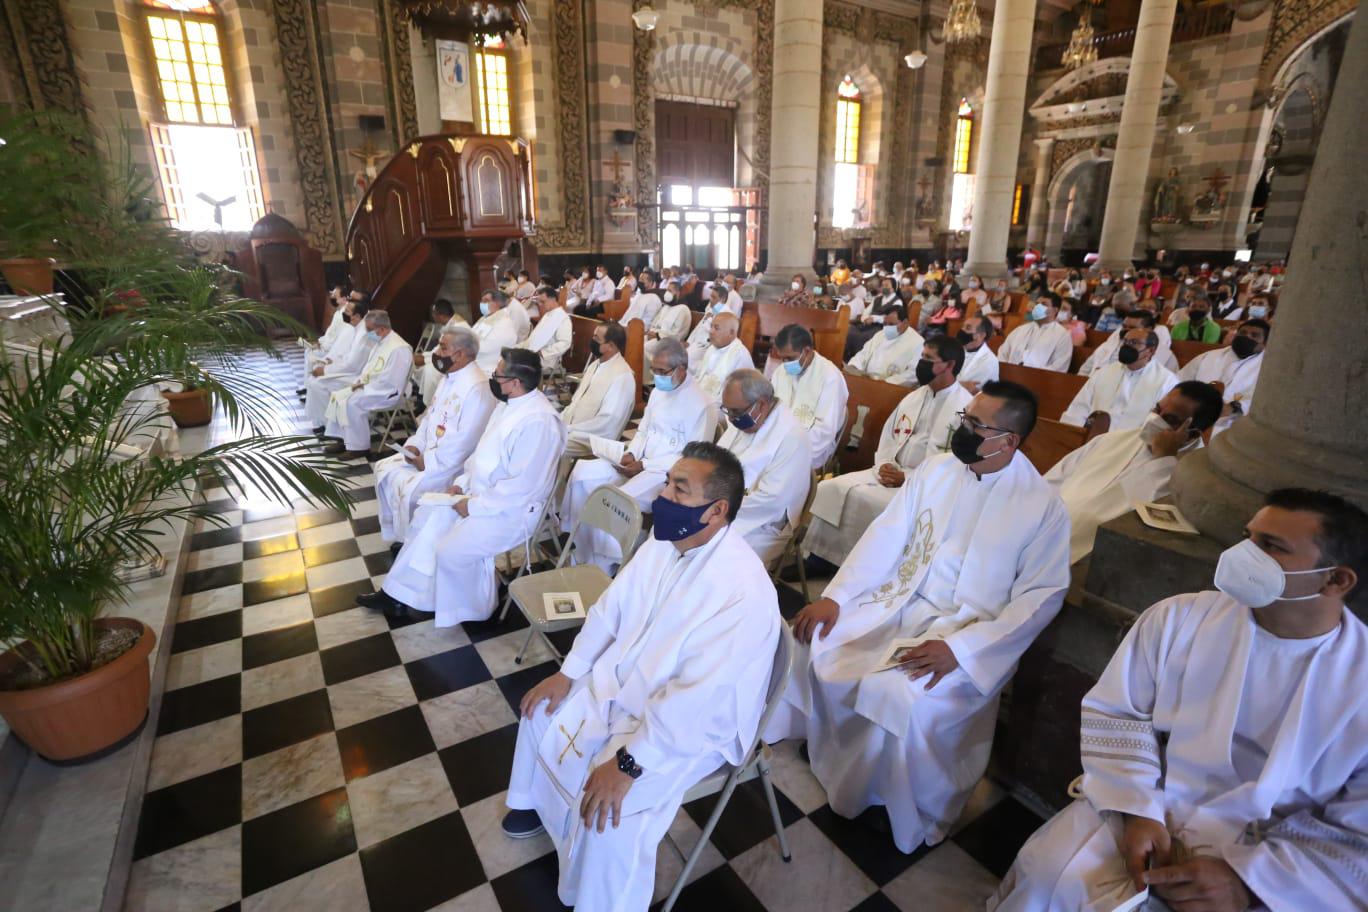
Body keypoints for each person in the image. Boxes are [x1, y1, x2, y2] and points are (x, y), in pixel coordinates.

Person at [991, 489, 1368, 912]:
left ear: (1336, 580)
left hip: (1269, 856)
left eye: (1271, 547)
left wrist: (1247, 884)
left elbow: (1358, 831)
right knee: (1049, 876)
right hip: (1144, 799)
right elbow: (1117, 712)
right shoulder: (1179, 618)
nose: (1243, 553)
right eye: (1249, 537)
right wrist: (1138, 810)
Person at [767, 381, 1070, 855]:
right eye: (963, 418)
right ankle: (825, 740)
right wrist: (840, 597)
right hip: (901, 597)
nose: (961, 430)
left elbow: (1041, 597)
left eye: (974, 424)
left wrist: (962, 650)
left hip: (967, 631)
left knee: (897, 690)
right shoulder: (938, 469)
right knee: (814, 634)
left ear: (1007, 441)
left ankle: (894, 805)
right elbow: (887, 536)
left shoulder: (1042, 507)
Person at [501, 442, 781, 911]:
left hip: (686, 730)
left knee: (610, 814)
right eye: (668, 481)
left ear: (717, 510)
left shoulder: (742, 590)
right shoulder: (663, 544)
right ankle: (532, 804)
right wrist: (569, 674)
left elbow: (701, 698)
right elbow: (610, 611)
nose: (664, 494)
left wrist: (631, 763)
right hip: (626, 686)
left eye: (679, 488)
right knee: (541, 710)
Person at [359, 348, 566, 623]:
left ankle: (478, 610)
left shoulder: (539, 421)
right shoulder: (508, 405)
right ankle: (399, 595)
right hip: (479, 496)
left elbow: (522, 487)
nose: (493, 378)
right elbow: (479, 456)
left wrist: (474, 505)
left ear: (515, 383)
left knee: (451, 552)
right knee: (426, 518)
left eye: (498, 374)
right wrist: (460, 485)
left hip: (512, 512)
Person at [802, 336, 974, 571]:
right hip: (890, 471)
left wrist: (908, 478)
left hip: (922, 484)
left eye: (928, 359)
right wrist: (884, 463)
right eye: (921, 356)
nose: (921, 363)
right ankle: (820, 558)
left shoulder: (965, 408)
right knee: (833, 488)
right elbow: (889, 436)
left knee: (880, 506)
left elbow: (955, 463)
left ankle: (862, 568)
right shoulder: (915, 396)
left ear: (950, 365)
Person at [562, 339, 716, 572]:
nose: (656, 377)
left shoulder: (703, 405)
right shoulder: (658, 392)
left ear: (681, 369)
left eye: (662, 371)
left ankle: (608, 561)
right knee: (583, 473)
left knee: (616, 499)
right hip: (638, 461)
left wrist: (645, 465)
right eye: (654, 370)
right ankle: (582, 548)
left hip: (665, 473)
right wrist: (632, 452)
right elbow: (643, 429)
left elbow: (692, 460)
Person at [1047, 381, 1222, 563]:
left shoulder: (1194, 477)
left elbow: (1155, 532)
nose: (1155, 419)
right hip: (1040, 532)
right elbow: (1052, 481)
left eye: (1169, 419)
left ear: (1192, 433)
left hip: (1082, 559)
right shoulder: (1113, 439)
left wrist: (1163, 459)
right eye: (1157, 409)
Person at [374, 327, 496, 543]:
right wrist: (415, 445)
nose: (437, 352)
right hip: (428, 454)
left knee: (410, 488)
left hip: (450, 464)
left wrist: (428, 461)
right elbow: (430, 418)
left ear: (460, 354)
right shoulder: (449, 378)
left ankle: (414, 541)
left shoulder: (477, 388)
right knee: (384, 470)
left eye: (443, 347)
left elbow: (466, 442)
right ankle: (400, 535)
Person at [716, 369, 812, 565]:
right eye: (727, 411)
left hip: (763, 524)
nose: (731, 418)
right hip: (723, 505)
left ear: (760, 404)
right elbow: (717, 460)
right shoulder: (748, 420)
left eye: (736, 411)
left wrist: (716, 507)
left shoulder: (792, 436)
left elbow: (772, 500)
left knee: (712, 552)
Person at [322, 311, 413, 457]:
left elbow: (392, 381)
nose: (367, 333)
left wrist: (364, 386)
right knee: (339, 396)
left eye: (370, 330)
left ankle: (359, 448)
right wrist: (360, 382)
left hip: (387, 393)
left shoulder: (399, 348)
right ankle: (345, 440)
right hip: (372, 387)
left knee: (352, 402)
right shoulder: (381, 341)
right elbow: (370, 368)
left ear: (382, 329)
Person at [1061, 329, 1180, 433]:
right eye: (1125, 341)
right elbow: (1079, 408)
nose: (1126, 346)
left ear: (1150, 350)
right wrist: (1074, 435)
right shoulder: (1104, 372)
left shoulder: (1167, 382)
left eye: (1134, 343)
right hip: (1091, 439)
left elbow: (1157, 425)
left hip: (1129, 448)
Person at [769, 324, 849, 470]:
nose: (785, 364)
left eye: (789, 358)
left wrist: (788, 448)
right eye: (782, 359)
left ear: (806, 351)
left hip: (813, 448)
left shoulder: (830, 377)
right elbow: (770, 410)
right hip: (777, 441)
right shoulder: (780, 372)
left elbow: (825, 431)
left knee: (775, 468)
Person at [1178, 318, 1269, 436]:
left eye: (1254, 335)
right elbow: (1179, 381)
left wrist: (1233, 408)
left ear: (1265, 343)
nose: (1247, 337)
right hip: (1191, 418)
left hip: (1234, 428)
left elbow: (1265, 401)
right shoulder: (1208, 357)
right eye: (1243, 333)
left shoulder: (1267, 369)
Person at [559, 321, 636, 445]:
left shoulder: (623, 377)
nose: (592, 340)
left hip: (592, 439)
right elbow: (576, 401)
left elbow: (608, 422)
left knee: (549, 443)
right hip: (571, 429)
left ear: (610, 346)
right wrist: (559, 421)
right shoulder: (595, 365)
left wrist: (570, 429)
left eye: (597, 338)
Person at [304, 301, 374, 430]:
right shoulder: (356, 328)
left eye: (347, 312)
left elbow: (352, 365)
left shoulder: (363, 334)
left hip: (359, 376)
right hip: (352, 371)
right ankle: (326, 424)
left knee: (318, 384)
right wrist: (332, 362)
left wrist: (325, 370)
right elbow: (348, 356)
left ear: (357, 316)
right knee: (315, 380)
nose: (344, 314)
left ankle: (334, 427)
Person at [844, 304, 925, 386]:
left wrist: (885, 383)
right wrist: (854, 367)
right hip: (866, 381)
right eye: (885, 324)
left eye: (892, 324)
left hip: (891, 388)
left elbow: (913, 373)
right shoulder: (881, 334)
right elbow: (864, 353)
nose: (887, 328)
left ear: (905, 323)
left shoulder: (918, 343)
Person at [1079, 309, 1176, 376]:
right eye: (1124, 326)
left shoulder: (1164, 355)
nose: (1126, 330)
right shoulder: (1110, 344)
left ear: (1149, 329)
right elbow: (1086, 368)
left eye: (1132, 328)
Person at [998, 293, 1074, 372]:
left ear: (1055, 310)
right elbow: (1003, 353)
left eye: (1044, 304)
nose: (1037, 307)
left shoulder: (1062, 335)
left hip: (1038, 379)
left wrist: (1030, 374)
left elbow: (1059, 367)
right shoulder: (1021, 329)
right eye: (1037, 303)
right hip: (1009, 374)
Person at [689, 311, 752, 403]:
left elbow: (737, 395)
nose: (710, 331)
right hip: (701, 398)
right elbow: (702, 375)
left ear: (731, 333)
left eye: (716, 328)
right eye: (711, 327)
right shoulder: (712, 348)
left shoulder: (739, 355)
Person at [415, 298, 469, 403]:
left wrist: (425, 359)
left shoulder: (457, 327)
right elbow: (440, 349)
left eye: (434, 314)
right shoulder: (451, 323)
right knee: (421, 367)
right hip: (447, 358)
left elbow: (447, 354)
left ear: (440, 316)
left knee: (429, 370)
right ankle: (423, 400)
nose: (433, 317)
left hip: (456, 363)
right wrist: (425, 356)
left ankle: (430, 403)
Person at [520, 286, 573, 370]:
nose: (540, 305)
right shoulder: (548, 314)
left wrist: (542, 353)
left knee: (514, 365)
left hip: (546, 358)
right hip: (533, 352)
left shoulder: (563, 318)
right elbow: (535, 336)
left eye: (542, 302)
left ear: (553, 299)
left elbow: (565, 343)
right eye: (539, 302)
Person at [642, 280, 692, 365]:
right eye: (666, 290)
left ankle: (648, 376)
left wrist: (657, 335)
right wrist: (650, 332)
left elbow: (677, 335)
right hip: (655, 337)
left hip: (670, 343)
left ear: (678, 293)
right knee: (638, 340)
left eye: (669, 291)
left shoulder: (683, 309)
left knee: (645, 347)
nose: (666, 293)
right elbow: (655, 322)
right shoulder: (666, 307)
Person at [470, 290, 521, 374]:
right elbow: (470, 334)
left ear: (498, 304)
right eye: (481, 301)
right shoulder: (484, 318)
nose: (481, 303)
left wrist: (466, 347)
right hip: (476, 361)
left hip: (489, 368)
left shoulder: (504, 323)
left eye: (486, 301)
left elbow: (488, 347)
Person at [955, 314, 1000, 394]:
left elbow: (969, 390)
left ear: (981, 335)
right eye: (963, 326)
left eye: (968, 328)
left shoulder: (989, 361)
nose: (962, 330)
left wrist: (958, 385)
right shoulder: (957, 349)